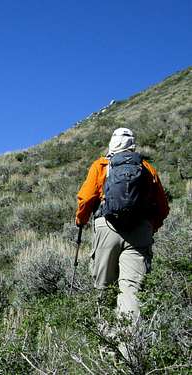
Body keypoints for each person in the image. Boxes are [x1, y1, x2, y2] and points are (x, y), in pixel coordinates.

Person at [75, 127, 169, 323]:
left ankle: (106, 343)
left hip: (107, 228)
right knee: (131, 290)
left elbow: (86, 198)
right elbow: (162, 207)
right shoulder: (146, 168)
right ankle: (129, 347)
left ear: (112, 143)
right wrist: (150, 227)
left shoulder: (101, 165)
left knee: (104, 287)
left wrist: (81, 220)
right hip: (139, 231)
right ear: (132, 145)